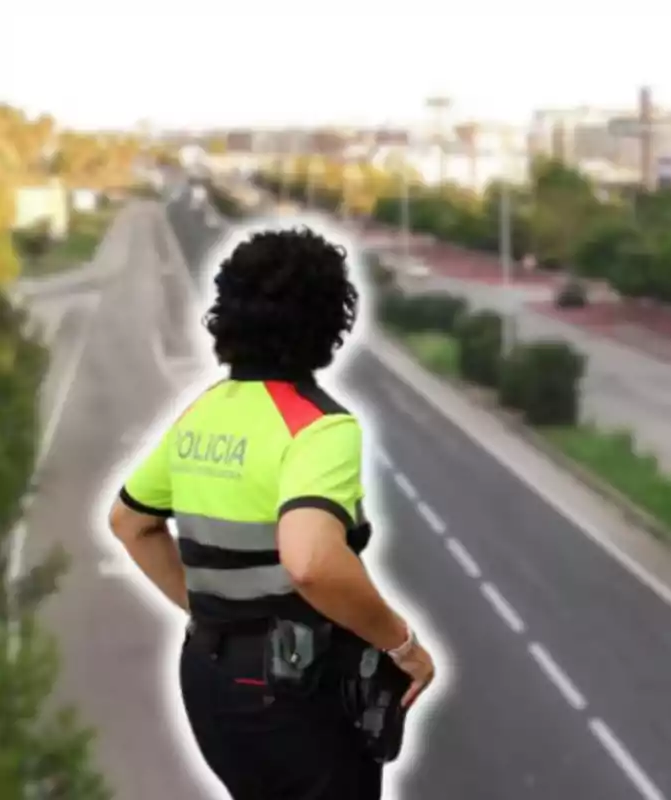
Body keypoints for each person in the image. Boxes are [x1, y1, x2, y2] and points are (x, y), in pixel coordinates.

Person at [107, 227, 436, 799]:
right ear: (330, 323)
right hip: (294, 692)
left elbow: (130, 522)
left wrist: (214, 611)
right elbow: (311, 561)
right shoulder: (320, 427)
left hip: (208, 682)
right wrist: (402, 647)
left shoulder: (203, 413)